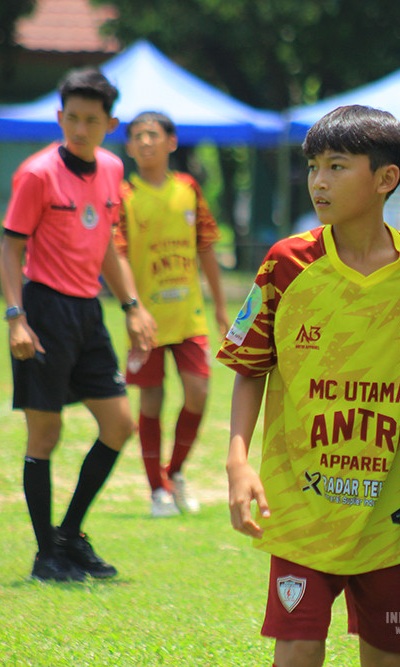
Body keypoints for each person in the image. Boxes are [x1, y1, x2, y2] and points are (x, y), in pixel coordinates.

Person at [217, 105, 400, 667]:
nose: (319, 180)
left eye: (337, 166)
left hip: (386, 512)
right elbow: (250, 367)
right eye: (314, 165)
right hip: (301, 508)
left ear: (386, 178)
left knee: (390, 653)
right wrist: (237, 463)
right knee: (295, 650)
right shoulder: (286, 264)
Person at [0, 68, 157, 582]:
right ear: (59, 116)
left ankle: (69, 536)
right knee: (45, 433)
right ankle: (47, 555)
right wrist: (15, 317)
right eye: (72, 118)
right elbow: (11, 245)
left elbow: (107, 244)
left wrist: (132, 304)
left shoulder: (112, 170)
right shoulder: (37, 173)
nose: (81, 129)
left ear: (111, 122)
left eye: (92, 120)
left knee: (119, 425)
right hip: (43, 310)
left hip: (88, 312)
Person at [115, 111, 229, 517]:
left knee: (198, 391)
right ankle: (156, 491)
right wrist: (133, 308)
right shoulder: (124, 195)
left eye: (153, 135)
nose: (146, 142)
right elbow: (118, 255)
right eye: (138, 136)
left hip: (189, 315)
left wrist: (219, 307)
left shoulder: (188, 189)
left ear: (171, 142)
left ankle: (174, 472)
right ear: (128, 146)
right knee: (151, 401)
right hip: (147, 318)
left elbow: (207, 247)